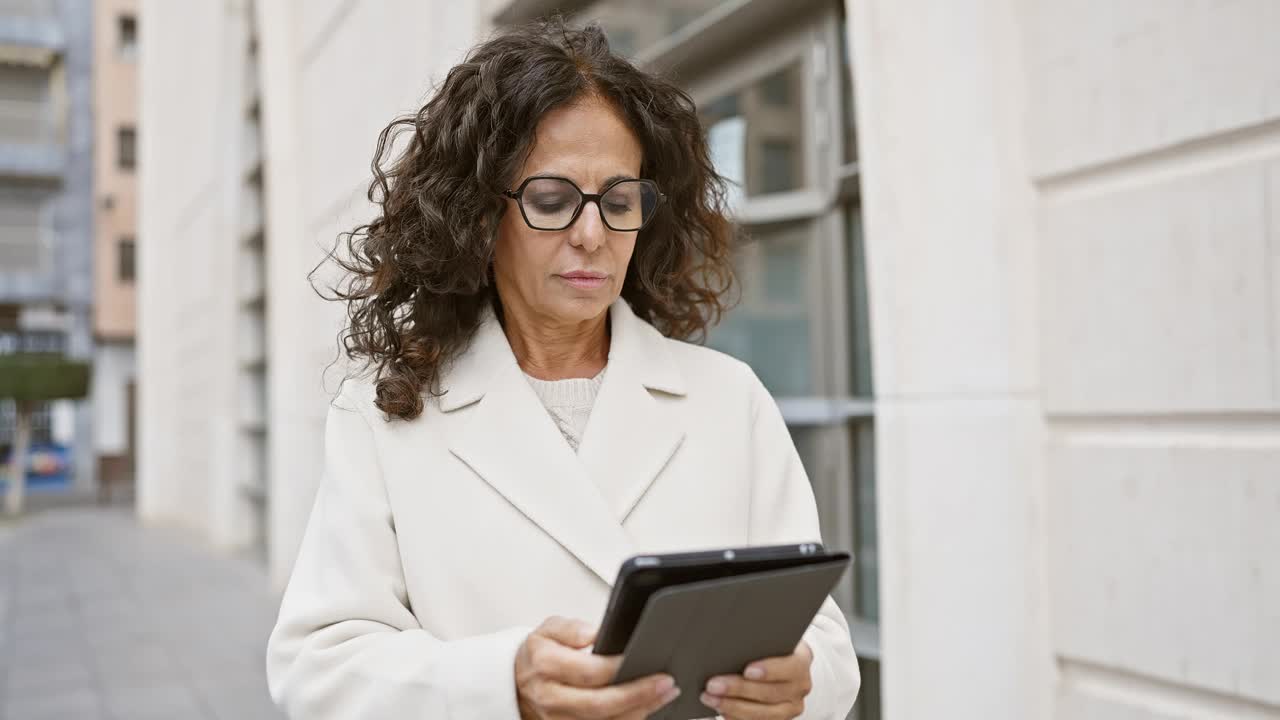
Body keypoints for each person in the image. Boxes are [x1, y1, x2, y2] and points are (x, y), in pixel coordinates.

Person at [265, 19, 859, 720]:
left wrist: (803, 681)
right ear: (480, 215)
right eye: (552, 200)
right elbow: (317, 665)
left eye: (619, 200)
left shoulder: (729, 399)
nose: (592, 233)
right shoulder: (385, 414)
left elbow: (821, 636)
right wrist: (501, 683)